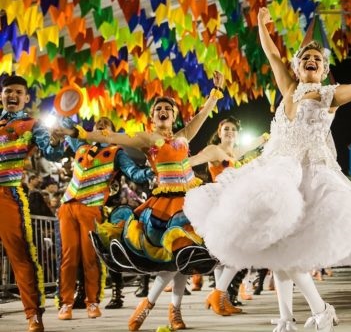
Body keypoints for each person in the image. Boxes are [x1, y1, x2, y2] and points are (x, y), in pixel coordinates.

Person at [184, 7, 351, 332]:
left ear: (324, 68)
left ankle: (321, 309)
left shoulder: (329, 95)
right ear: (296, 67)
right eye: (305, 59)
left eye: (317, 59)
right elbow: (272, 53)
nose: (310, 61)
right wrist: (260, 24)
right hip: (274, 168)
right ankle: (287, 318)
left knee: (288, 253)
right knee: (276, 250)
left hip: (306, 179)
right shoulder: (288, 88)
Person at [54, 72, 225, 331]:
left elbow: (201, 116)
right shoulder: (147, 138)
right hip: (165, 207)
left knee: (183, 261)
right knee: (174, 259)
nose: (164, 111)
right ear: (152, 117)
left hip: (191, 201)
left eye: (168, 108)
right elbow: (111, 138)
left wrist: (215, 92)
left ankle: (174, 312)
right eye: (159, 109)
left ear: (175, 116)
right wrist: (74, 131)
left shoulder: (183, 136)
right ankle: (148, 305)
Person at [56, 117, 154, 321]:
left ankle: (92, 301)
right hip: (68, 206)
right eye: (98, 124)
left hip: (92, 208)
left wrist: (154, 170)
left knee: (90, 257)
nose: (101, 125)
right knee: (68, 257)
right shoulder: (81, 145)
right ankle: (65, 304)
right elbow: (68, 126)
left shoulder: (117, 153)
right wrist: (66, 105)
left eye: (106, 124)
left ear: (112, 131)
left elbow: (134, 173)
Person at [0, 75, 66, 332]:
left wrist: (56, 139)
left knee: (20, 255)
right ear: (2, 96)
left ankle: (33, 315)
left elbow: (52, 152)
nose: (12, 95)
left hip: (7, 195)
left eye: (18, 91)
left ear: (26, 97)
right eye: (8, 91)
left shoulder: (32, 124)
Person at [187, 117, 268, 316]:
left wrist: (267, 137)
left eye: (233, 129)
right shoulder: (214, 150)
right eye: (226, 129)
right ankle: (218, 294)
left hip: (235, 204)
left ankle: (221, 300)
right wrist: (170, 165)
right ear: (219, 132)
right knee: (238, 253)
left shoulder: (234, 152)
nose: (230, 132)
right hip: (221, 204)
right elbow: (190, 162)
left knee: (224, 256)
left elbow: (253, 144)